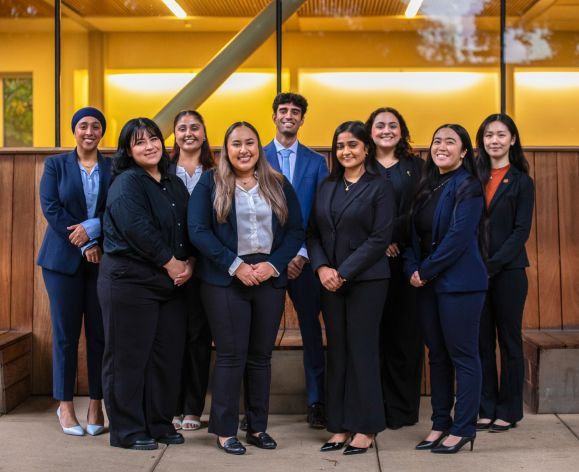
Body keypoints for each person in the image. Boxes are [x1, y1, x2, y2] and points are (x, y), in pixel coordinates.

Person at [188, 121, 304, 455]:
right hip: (225, 278)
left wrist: (273, 265)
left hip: (269, 277)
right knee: (230, 355)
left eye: (250, 143)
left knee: (260, 357)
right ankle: (225, 431)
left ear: (259, 147)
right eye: (236, 143)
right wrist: (235, 265)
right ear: (226, 149)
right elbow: (198, 230)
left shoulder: (278, 183)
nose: (244, 150)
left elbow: (296, 230)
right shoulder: (211, 183)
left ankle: (257, 427)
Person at [98, 118, 193, 450]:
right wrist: (171, 263)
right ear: (128, 150)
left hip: (171, 284)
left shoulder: (173, 182)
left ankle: (159, 423)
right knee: (128, 359)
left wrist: (189, 263)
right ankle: (127, 430)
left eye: (154, 139)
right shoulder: (127, 183)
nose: (150, 146)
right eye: (140, 142)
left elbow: (187, 227)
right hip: (129, 280)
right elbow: (137, 228)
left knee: (166, 359)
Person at [307, 121, 395, 455]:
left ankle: (367, 426)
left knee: (362, 350)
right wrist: (321, 268)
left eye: (353, 145)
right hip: (329, 281)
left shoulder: (380, 187)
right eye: (340, 146)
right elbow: (312, 232)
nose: (346, 151)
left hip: (367, 281)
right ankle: (339, 425)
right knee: (338, 351)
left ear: (366, 149)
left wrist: (342, 272)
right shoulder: (327, 186)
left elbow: (379, 238)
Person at [404, 124, 487, 454]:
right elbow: (412, 235)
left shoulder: (468, 186)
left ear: (464, 151)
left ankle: (464, 427)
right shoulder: (426, 186)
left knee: (463, 357)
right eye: (436, 140)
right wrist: (412, 268)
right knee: (437, 356)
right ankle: (440, 423)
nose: (441, 146)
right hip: (426, 283)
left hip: (461, 285)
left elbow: (457, 238)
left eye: (450, 142)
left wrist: (423, 271)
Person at [38, 107, 111, 437]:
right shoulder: (56, 165)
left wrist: (95, 231)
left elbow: (118, 210)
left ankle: (97, 402)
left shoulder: (113, 167)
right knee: (66, 335)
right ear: (74, 130)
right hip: (62, 262)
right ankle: (64, 405)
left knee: (99, 334)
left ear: (102, 132)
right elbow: (52, 208)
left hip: (102, 263)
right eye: (83, 125)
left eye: (96, 126)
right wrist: (83, 243)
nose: (89, 131)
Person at [263, 92, 329, 429]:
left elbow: (319, 214)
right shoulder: (255, 156)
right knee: (259, 334)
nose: (289, 115)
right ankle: (255, 406)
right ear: (274, 116)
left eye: (295, 112)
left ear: (302, 119)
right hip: (267, 261)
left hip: (303, 262)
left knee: (311, 333)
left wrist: (301, 253)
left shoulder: (317, 162)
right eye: (283, 110)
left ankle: (317, 401)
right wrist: (279, 256)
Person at [475, 114, 534, 433]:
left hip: (508, 272)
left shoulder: (522, 181)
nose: (493, 140)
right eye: (488, 135)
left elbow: (520, 231)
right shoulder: (475, 176)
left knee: (508, 341)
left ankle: (509, 409)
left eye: (500, 134)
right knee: (481, 341)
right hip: (475, 273)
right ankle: (485, 406)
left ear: (512, 139)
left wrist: (492, 265)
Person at [365, 107, 424, 429]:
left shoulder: (417, 167)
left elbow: (422, 210)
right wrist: (379, 240)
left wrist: (391, 235)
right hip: (368, 264)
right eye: (379, 125)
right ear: (369, 131)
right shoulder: (360, 164)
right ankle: (375, 407)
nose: (386, 130)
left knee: (405, 337)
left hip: (407, 260)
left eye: (392, 125)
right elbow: (352, 211)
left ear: (401, 130)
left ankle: (402, 410)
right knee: (373, 337)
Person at [169, 110, 214, 433]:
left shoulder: (215, 171)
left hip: (206, 265)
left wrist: (195, 261)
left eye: (194, 127)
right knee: (170, 338)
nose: (188, 133)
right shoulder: (162, 171)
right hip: (167, 266)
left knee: (199, 337)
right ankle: (171, 404)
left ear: (204, 133)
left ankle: (193, 407)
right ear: (174, 135)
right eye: (182, 128)